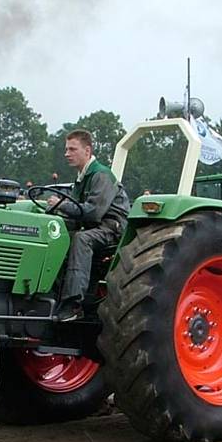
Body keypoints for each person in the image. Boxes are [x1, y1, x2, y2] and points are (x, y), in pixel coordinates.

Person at [46, 129, 130, 321]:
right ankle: (49, 295)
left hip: (111, 227)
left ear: (87, 151)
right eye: (66, 149)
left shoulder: (101, 175)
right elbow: (76, 213)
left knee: (81, 239)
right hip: (94, 226)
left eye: (72, 149)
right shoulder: (82, 178)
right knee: (56, 235)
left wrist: (61, 205)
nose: (67, 154)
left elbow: (94, 212)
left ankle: (73, 304)